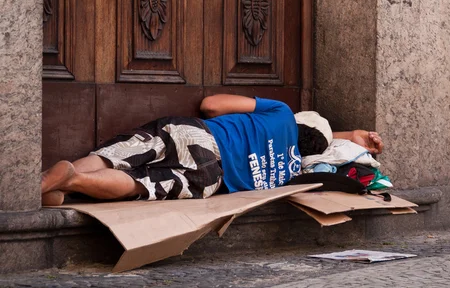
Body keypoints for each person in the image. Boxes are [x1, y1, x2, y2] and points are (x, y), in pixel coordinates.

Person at [41, 95, 384, 206]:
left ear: (299, 120)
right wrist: (352, 137)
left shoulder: (279, 112)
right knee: (141, 185)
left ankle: (72, 170)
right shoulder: (290, 173)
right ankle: (71, 183)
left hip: (203, 135)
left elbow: (210, 105)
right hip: (211, 178)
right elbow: (325, 145)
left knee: (119, 153)